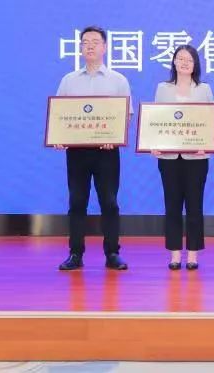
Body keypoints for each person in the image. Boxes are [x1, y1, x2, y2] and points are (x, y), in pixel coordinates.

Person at [55, 25, 132, 271]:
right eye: (85, 42)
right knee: (77, 202)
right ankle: (75, 253)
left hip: (107, 151)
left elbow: (126, 115)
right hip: (77, 152)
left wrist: (115, 136)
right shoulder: (68, 80)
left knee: (109, 202)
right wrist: (59, 136)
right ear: (80, 48)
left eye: (95, 42)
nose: (89, 46)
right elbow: (60, 116)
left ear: (105, 47)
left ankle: (112, 253)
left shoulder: (118, 80)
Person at [152, 45, 213, 271]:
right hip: (168, 157)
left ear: (195, 64)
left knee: (195, 206)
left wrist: (206, 144)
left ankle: (193, 255)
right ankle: (175, 254)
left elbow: (209, 121)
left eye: (189, 59)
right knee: (172, 205)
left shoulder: (204, 89)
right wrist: (154, 145)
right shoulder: (163, 88)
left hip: (197, 157)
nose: (184, 62)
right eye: (180, 58)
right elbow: (155, 121)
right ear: (174, 62)